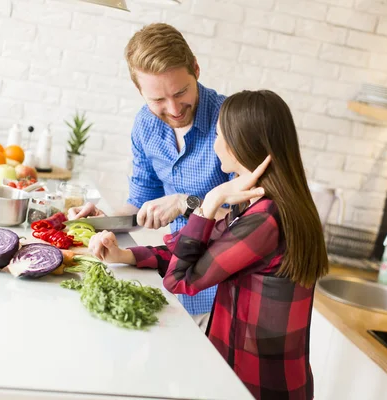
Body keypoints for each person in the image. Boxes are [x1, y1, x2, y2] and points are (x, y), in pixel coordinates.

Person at [88, 90, 329, 400]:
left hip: (253, 385)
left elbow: (181, 279)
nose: (214, 144)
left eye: (218, 135)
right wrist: (124, 255)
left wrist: (211, 201)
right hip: (257, 379)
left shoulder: (266, 220)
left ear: (240, 144)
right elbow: (199, 251)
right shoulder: (262, 205)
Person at [68, 23, 231, 329]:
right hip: (178, 280)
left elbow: (251, 222)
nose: (173, 108)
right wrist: (104, 220)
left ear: (195, 68)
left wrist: (186, 202)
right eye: (158, 99)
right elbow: (140, 205)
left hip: (226, 294)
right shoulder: (146, 125)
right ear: (139, 91)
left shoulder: (231, 121)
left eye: (181, 91)